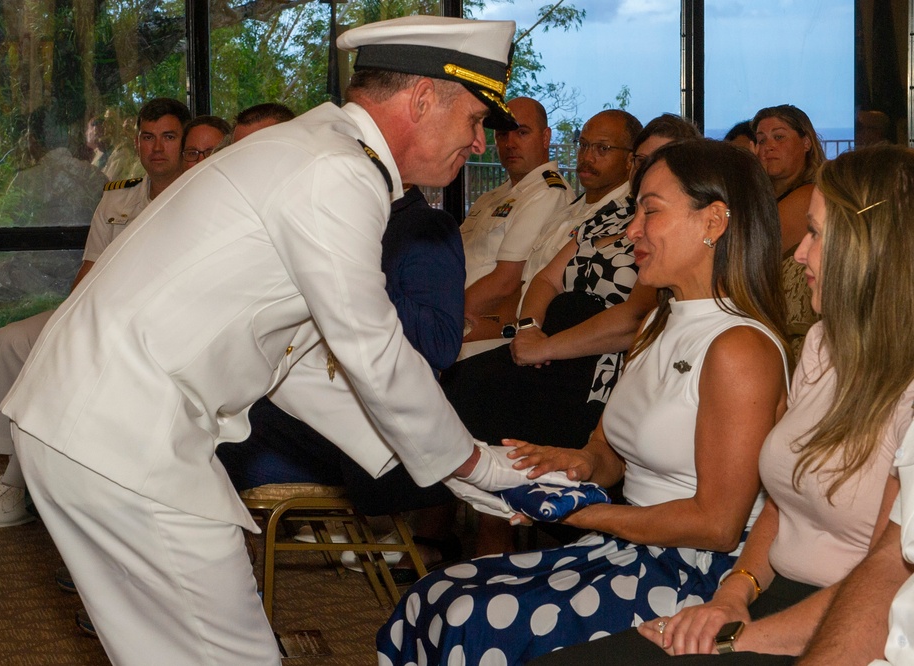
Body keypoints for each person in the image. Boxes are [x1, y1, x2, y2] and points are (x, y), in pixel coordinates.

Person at [0, 17, 574, 665]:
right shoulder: (337, 173)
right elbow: (370, 345)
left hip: (92, 421)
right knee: (235, 653)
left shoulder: (316, 150)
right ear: (420, 100)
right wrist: (472, 464)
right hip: (125, 436)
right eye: (474, 119)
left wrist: (449, 469)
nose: (478, 143)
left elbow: (299, 359)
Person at [376, 139, 791, 666]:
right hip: (635, 547)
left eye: (650, 211)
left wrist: (587, 515)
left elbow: (717, 524)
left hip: (698, 572)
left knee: (468, 620)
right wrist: (574, 462)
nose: (631, 229)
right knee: (430, 598)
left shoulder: (740, 347)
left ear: (713, 221)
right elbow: (611, 453)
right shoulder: (658, 323)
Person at [528, 144, 914, 665]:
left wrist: (739, 636)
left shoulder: (894, 386)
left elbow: (886, 579)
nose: (797, 253)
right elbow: (782, 499)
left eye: (817, 234)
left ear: (872, 248)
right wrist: (734, 594)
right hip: (766, 587)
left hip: (841, 614)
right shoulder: (824, 345)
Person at [436, 114, 696, 558]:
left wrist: (543, 345)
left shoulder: (668, 231)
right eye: (640, 160)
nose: (644, 170)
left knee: (475, 389)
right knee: (461, 381)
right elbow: (546, 279)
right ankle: (479, 527)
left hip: (602, 363)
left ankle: (502, 531)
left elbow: (635, 318)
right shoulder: (610, 214)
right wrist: (529, 332)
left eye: (659, 160)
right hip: (552, 348)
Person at [0, 98, 191, 529]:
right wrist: (68, 320)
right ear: (137, 144)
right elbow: (90, 267)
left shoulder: (200, 198)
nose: (157, 147)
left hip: (158, 325)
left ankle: (32, 478)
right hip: (100, 311)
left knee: (79, 362)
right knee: (12, 339)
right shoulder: (117, 197)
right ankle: (17, 477)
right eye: (147, 136)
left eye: (169, 136)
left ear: (184, 141)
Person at [217, 182, 464, 517]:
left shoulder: (423, 226)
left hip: (356, 427)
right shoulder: (326, 218)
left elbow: (442, 344)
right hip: (291, 395)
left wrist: (360, 273)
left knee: (207, 452)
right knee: (192, 430)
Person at [461, 97, 573, 341]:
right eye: (503, 134)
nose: (510, 143)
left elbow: (507, 282)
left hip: (483, 331)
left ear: (545, 138)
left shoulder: (547, 193)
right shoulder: (494, 196)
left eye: (522, 132)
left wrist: (443, 316)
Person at [752, 105, 825, 358]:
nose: (768, 146)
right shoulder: (763, 200)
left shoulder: (809, 196)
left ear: (806, 142)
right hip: (770, 333)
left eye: (779, 137)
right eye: (761, 140)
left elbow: (748, 254)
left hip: (797, 342)